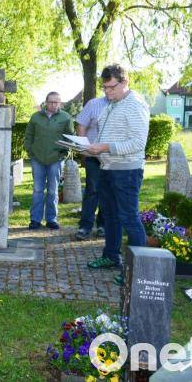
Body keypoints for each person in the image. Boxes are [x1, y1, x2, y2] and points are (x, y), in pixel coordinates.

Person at [85, 64, 150, 286]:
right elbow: (109, 133)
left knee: (129, 218)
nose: (107, 92)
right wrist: (89, 147)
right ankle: (111, 256)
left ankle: (138, 271)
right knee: (110, 216)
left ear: (124, 82)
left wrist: (104, 147)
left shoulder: (135, 105)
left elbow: (138, 143)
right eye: (104, 87)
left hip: (127, 171)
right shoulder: (113, 103)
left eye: (111, 87)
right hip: (107, 168)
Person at [24, 92, 74, 231]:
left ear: (60, 103)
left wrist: (63, 155)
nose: (53, 105)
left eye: (56, 102)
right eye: (51, 102)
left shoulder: (65, 117)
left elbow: (70, 138)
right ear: (45, 102)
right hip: (37, 159)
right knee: (38, 190)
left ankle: (52, 219)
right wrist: (30, 152)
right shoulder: (35, 117)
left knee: (53, 191)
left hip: (56, 160)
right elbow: (28, 136)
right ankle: (35, 220)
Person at [74, 94, 109, 240]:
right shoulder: (93, 104)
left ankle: (103, 225)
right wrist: (84, 148)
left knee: (108, 192)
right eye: (106, 86)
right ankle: (85, 226)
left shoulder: (124, 104)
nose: (109, 90)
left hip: (113, 158)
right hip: (94, 157)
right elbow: (81, 125)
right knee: (92, 191)